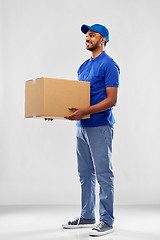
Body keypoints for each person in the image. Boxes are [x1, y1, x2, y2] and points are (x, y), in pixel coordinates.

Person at [62, 24, 120, 237]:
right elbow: (78, 99)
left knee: (104, 175)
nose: (88, 38)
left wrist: (85, 110)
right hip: (82, 127)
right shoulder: (83, 66)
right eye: (87, 35)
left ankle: (107, 220)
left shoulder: (109, 65)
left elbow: (112, 100)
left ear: (102, 39)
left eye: (92, 35)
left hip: (100, 126)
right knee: (85, 174)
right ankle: (87, 215)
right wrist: (54, 110)